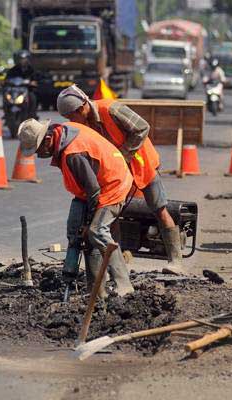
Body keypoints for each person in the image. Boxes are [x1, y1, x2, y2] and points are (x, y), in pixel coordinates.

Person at [56, 84, 187, 275]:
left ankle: (176, 261)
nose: (70, 121)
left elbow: (142, 128)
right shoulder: (85, 124)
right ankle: (117, 268)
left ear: (81, 107)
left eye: (71, 116)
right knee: (111, 217)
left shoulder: (111, 109)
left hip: (142, 165)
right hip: (115, 174)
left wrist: (123, 154)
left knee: (159, 210)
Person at [18, 118, 135, 298]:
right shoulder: (63, 132)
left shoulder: (73, 153)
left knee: (96, 231)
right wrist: (81, 227)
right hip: (92, 188)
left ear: (48, 140)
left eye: (38, 149)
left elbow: (94, 190)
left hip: (113, 184)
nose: (39, 154)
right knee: (77, 233)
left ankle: (124, 285)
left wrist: (88, 223)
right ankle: (96, 291)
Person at [5, 50, 38, 118]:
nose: (22, 61)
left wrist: (33, 82)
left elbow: (36, 78)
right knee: (6, 95)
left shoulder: (31, 69)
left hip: (27, 90)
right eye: (21, 59)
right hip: (15, 89)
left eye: (24, 59)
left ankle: (32, 115)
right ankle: (6, 112)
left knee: (32, 97)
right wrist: (5, 82)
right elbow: (7, 78)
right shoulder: (13, 69)